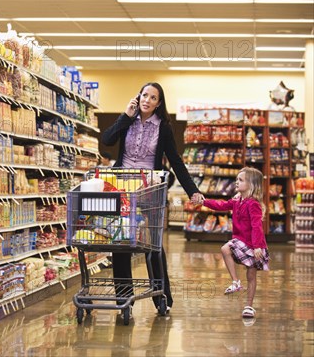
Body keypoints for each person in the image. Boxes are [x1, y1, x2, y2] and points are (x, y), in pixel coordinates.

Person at [102, 82, 201, 314]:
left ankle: (161, 297)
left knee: (152, 245)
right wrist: (125, 117)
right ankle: (123, 300)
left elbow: (176, 161)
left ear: (159, 103)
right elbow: (107, 140)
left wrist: (192, 190)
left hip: (149, 189)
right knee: (121, 241)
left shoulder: (163, 128)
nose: (147, 100)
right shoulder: (127, 120)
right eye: (144, 95)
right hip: (122, 188)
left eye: (153, 97)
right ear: (138, 97)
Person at [191, 167, 269, 319]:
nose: (236, 183)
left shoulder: (253, 204)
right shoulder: (236, 201)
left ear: (251, 184)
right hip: (239, 241)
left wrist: (258, 246)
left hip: (253, 244)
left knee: (251, 275)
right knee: (225, 248)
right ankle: (236, 281)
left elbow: (257, 226)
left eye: (241, 180)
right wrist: (204, 201)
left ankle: (249, 307)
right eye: (237, 180)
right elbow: (221, 205)